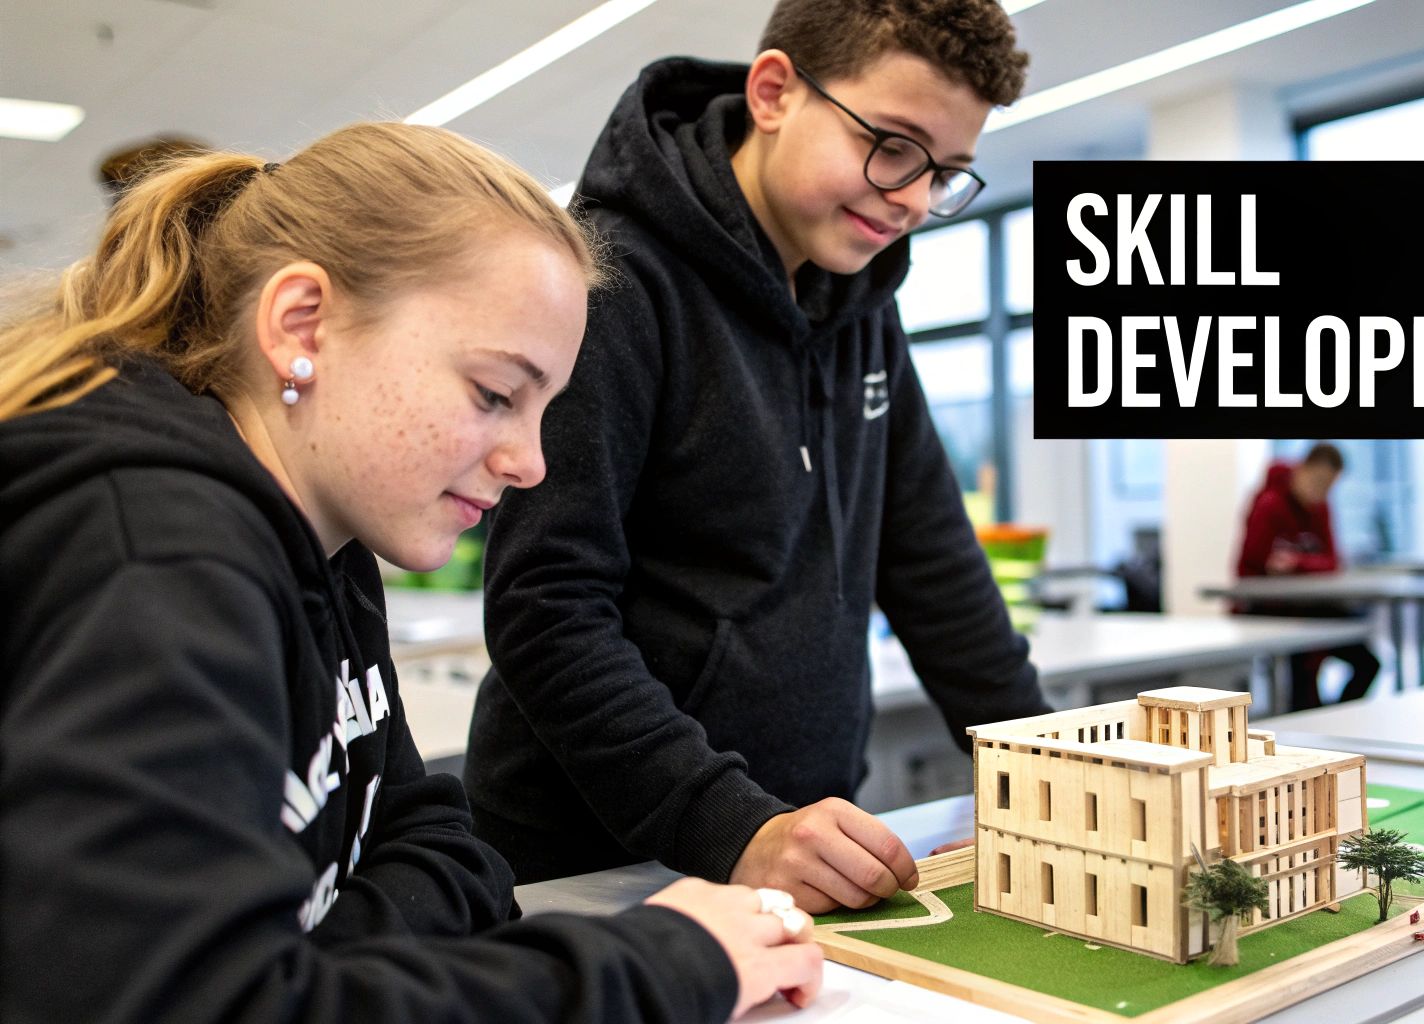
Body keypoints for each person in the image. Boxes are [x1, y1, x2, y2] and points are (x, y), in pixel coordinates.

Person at [0, 124, 820, 1023]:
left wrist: (313, 963)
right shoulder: (153, 556)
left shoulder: (333, 540)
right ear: (301, 324)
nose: (531, 462)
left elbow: (442, 841)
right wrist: (662, 966)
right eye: (495, 394)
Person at [464, 0, 1049, 905]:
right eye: (891, 145)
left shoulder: (859, 305)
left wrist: (1047, 768)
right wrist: (728, 822)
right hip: (598, 861)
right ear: (775, 91)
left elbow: (931, 559)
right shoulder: (610, 282)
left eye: (945, 173)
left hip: (794, 838)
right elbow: (547, 609)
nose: (911, 197)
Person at [1234, 443, 1380, 710]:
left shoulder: (1320, 507)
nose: (1320, 491)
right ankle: (1310, 725)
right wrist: (1302, 565)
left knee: (1367, 661)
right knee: (1305, 670)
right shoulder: (1270, 504)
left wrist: (1297, 562)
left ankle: (1333, 720)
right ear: (1301, 470)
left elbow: (1333, 562)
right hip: (1270, 610)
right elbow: (1254, 565)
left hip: (1310, 608)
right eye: (1317, 481)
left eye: (1328, 486)